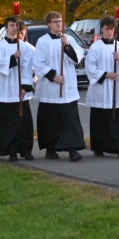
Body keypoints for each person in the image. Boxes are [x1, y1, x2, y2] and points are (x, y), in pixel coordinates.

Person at [33, 11, 86, 161]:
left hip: (67, 87)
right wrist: (53, 77)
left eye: (60, 21)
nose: (58, 24)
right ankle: (50, 149)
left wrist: (67, 46)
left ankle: (72, 150)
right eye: (55, 21)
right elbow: (38, 64)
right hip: (51, 89)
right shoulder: (42, 41)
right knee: (51, 121)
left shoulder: (68, 39)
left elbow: (78, 56)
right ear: (49, 24)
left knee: (70, 120)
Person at [85, 16, 119, 159]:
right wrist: (106, 74)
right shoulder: (96, 47)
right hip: (101, 89)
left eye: (112, 29)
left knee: (118, 119)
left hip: (116, 90)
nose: (110, 32)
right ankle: (98, 147)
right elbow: (90, 68)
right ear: (102, 29)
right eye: (107, 29)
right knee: (99, 120)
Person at [0, 17, 35, 161]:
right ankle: (12, 151)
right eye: (11, 25)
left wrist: (25, 87)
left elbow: (29, 69)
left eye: (16, 25)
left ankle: (26, 150)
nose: (14, 28)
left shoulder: (26, 47)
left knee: (24, 123)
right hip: (5, 89)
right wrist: (13, 58)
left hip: (20, 90)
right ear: (6, 28)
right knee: (8, 123)